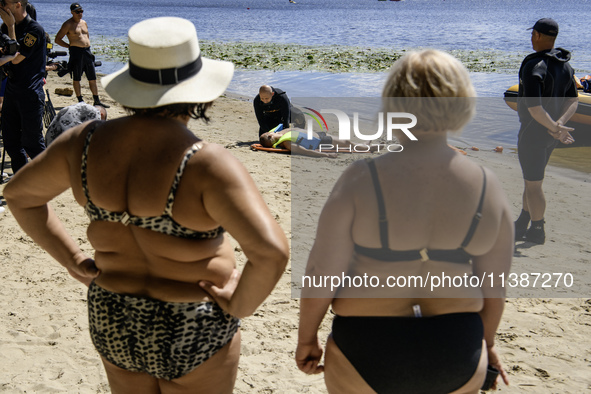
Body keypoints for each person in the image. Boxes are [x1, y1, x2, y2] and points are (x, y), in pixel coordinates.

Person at [4, 16, 288, 393]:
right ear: (196, 90)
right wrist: (240, 305)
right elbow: (270, 252)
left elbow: (20, 196)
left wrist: (73, 261)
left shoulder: (84, 144)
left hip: (114, 315)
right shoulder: (205, 162)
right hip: (192, 321)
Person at [296, 50, 513, 393]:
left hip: (365, 346)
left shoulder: (360, 179)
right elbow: (494, 288)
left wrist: (306, 339)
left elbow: (322, 273)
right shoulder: (489, 186)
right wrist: (485, 344)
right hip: (456, 350)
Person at [514, 18, 578, 245]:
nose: (531, 38)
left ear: (538, 36)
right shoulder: (564, 64)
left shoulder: (534, 65)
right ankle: (522, 222)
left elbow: (534, 107)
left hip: (534, 134)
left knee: (533, 185)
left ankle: (537, 229)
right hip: (550, 136)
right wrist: (559, 126)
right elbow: (572, 99)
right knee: (532, 180)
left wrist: (553, 127)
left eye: (533, 34)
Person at [0, 0, 46, 174]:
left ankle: (47, 183)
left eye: (4, 3)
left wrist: (11, 27)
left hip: (30, 93)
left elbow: (17, 58)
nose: (2, 6)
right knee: (11, 142)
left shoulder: (34, 29)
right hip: (12, 90)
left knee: (33, 144)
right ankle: (22, 180)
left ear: (17, 4)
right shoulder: (4, 28)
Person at [55, 3, 109, 107]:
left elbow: (86, 36)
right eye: (77, 12)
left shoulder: (84, 22)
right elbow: (57, 39)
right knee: (76, 78)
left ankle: (96, 100)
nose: (80, 13)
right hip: (76, 53)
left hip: (87, 52)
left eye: (81, 11)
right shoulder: (68, 24)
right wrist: (70, 46)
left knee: (92, 77)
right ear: (72, 12)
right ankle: (80, 101)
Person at [260, 128, 381, 158]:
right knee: (346, 142)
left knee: (345, 141)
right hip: (320, 142)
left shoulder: (281, 132)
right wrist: (326, 155)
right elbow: (305, 151)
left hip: (318, 135)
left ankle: (363, 145)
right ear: (270, 135)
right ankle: (366, 147)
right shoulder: (286, 142)